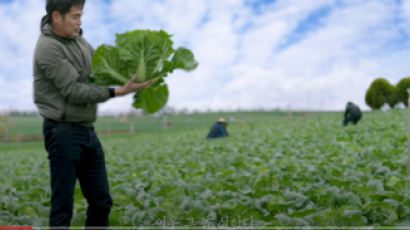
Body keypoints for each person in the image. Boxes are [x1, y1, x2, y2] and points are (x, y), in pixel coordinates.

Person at [33, 0, 152, 228]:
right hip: (62, 132)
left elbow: (100, 71)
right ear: (57, 16)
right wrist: (118, 91)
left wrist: (136, 72)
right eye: (75, 16)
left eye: (81, 15)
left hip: (87, 130)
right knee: (63, 207)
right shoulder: (48, 48)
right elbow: (74, 91)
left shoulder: (80, 42)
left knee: (101, 202)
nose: (80, 21)